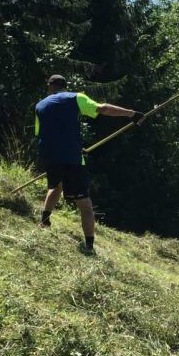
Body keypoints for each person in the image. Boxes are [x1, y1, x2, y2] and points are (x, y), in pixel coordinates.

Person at [35, 74, 140, 254]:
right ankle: (89, 246)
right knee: (85, 204)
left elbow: (40, 133)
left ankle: (44, 221)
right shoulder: (75, 98)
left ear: (50, 87)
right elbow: (102, 108)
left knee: (56, 186)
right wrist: (131, 114)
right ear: (64, 86)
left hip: (49, 156)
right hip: (72, 159)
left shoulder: (40, 105)